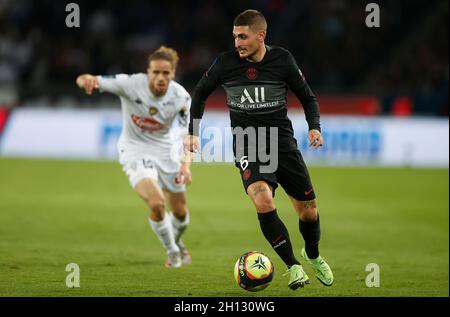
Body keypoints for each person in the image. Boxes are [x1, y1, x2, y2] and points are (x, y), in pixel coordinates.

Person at [184, 10, 334, 289]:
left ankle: (311, 255)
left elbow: (307, 97)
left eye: (243, 37)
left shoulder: (283, 60)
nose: (237, 42)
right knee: (263, 200)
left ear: (261, 35)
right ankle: (293, 266)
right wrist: (192, 132)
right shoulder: (224, 64)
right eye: (235, 37)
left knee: (309, 212)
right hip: (248, 143)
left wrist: (314, 127)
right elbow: (200, 93)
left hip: (282, 143)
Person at [76, 46, 193, 268]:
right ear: (147, 72)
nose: (160, 77)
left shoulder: (181, 97)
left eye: (165, 73)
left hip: (166, 152)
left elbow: (188, 137)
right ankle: (173, 252)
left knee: (180, 212)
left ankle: (177, 242)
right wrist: (86, 81)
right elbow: (86, 79)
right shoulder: (130, 84)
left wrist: (186, 166)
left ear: (173, 74)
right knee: (157, 203)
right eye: (155, 72)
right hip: (134, 149)